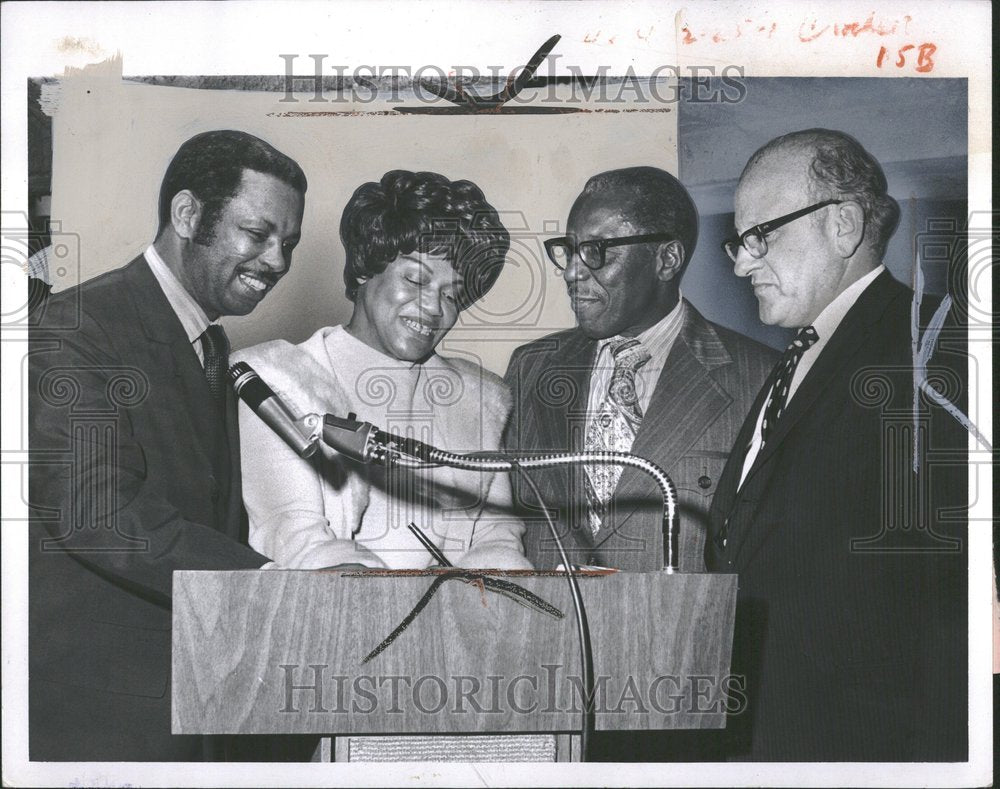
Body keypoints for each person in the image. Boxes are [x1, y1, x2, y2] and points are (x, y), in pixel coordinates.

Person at [28, 130, 311, 761]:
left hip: (191, 697)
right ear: (187, 215)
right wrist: (269, 580)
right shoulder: (75, 329)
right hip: (100, 714)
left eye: (287, 243)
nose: (277, 261)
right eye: (258, 233)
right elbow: (95, 511)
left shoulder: (211, 344)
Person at [705, 128, 967, 761]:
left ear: (844, 225)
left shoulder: (932, 347)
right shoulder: (800, 357)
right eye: (739, 241)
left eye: (760, 235)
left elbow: (947, 601)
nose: (741, 263)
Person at [235, 170, 531, 572]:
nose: (433, 307)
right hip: (330, 616)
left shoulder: (480, 398)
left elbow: (498, 537)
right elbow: (293, 533)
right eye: (415, 279)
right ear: (363, 269)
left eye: (452, 294)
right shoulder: (276, 378)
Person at [503, 166, 777, 576]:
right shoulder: (531, 366)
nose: (572, 272)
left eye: (597, 251)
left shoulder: (760, 377)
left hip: (680, 637)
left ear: (666, 259)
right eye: (569, 250)